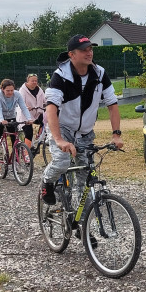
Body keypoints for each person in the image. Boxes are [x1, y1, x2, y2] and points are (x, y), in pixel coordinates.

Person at [40, 35, 123, 205]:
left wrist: (116, 134)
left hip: (85, 133)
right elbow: (51, 109)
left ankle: (81, 226)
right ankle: (47, 181)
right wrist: (58, 140)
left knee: (86, 178)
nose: (89, 53)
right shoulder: (61, 76)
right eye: (83, 50)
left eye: (90, 49)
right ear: (71, 54)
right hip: (62, 128)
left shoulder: (99, 73)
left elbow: (112, 104)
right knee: (62, 164)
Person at [0, 78, 31, 155]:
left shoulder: (17, 94)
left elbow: (23, 107)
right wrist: (2, 120)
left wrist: (29, 119)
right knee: (0, 125)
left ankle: (15, 157)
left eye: (12, 90)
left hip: (10, 115)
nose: (10, 92)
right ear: (2, 89)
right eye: (8, 91)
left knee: (13, 135)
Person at [20, 73, 47, 148]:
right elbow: (20, 101)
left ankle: (40, 136)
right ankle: (27, 151)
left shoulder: (39, 90)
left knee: (46, 120)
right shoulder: (23, 90)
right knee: (29, 133)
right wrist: (26, 107)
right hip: (25, 115)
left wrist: (48, 105)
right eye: (32, 81)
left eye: (36, 81)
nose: (35, 82)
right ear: (28, 81)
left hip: (37, 113)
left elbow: (45, 100)